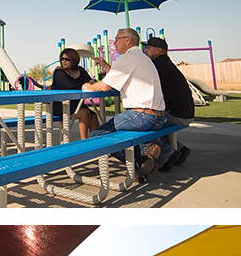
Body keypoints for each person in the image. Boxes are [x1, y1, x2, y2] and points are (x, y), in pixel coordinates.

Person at [82, 28, 168, 181]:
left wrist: (88, 87)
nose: (114, 43)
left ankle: (141, 161)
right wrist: (105, 67)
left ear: (128, 40)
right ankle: (143, 162)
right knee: (124, 134)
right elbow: (117, 78)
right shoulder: (142, 57)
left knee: (98, 134)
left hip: (141, 115)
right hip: (158, 116)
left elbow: (104, 86)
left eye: (117, 39)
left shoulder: (126, 58)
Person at [143, 36, 193, 171]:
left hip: (176, 115)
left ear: (159, 50)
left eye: (148, 48)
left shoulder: (157, 67)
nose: (145, 51)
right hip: (185, 113)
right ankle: (181, 150)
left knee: (142, 125)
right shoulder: (166, 64)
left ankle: (167, 155)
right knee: (153, 122)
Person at [50, 48, 98, 139]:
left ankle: (96, 141)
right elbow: (69, 86)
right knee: (84, 113)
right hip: (61, 104)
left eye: (67, 59)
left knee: (94, 116)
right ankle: (84, 142)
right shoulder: (59, 71)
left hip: (76, 104)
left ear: (74, 59)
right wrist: (85, 85)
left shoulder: (80, 70)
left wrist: (90, 83)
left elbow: (91, 81)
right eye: (62, 59)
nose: (64, 61)